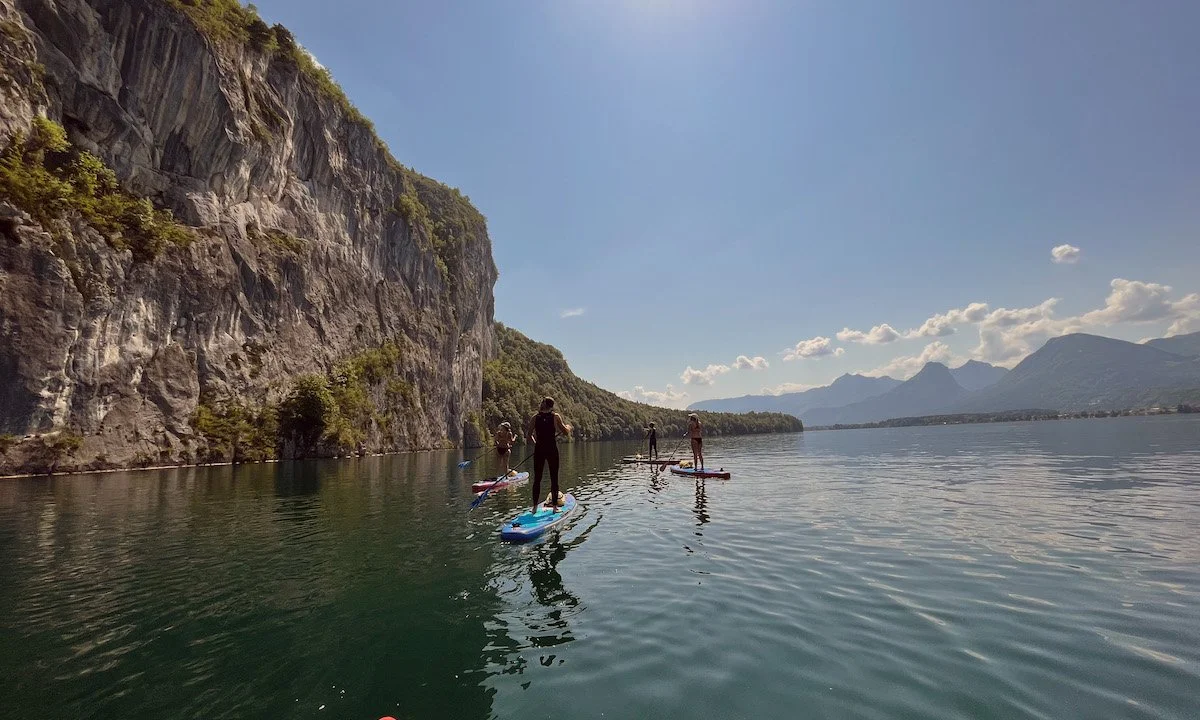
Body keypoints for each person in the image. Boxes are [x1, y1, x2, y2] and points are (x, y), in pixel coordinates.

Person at [525, 396, 572, 513]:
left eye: (542, 402)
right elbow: (565, 432)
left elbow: (528, 436)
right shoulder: (555, 417)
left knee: (537, 479)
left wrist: (537, 444)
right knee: (554, 478)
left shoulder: (535, 418)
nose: (540, 403)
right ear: (551, 406)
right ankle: (555, 508)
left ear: (544, 404)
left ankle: (535, 508)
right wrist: (568, 427)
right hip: (551, 449)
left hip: (539, 450)